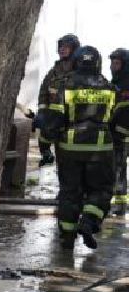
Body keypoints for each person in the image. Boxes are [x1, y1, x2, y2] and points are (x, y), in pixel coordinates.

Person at [36, 44, 116, 248]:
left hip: (70, 149)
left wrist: (44, 145)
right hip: (100, 149)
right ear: (98, 63)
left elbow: (54, 120)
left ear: (78, 62)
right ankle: (89, 221)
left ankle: (67, 237)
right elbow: (116, 119)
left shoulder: (67, 86)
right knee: (101, 190)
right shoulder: (109, 87)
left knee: (70, 193)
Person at [37, 34, 80, 166]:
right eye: (60, 47)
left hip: (73, 124)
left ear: (74, 49)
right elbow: (44, 91)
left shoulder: (81, 71)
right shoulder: (53, 72)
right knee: (61, 163)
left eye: (66, 47)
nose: (62, 49)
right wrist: (42, 112)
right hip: (54, 122)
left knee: (71, 161)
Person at [110, 48, 129, 216]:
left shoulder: (126, 84)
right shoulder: (116, 81)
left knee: (118, 169)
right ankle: (120, 204)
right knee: (118, 169)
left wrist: (120, 132)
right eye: (112, 63)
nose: (113, 66)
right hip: (117, 133)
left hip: (123, 135)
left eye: (117, 63)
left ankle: (119, 204)